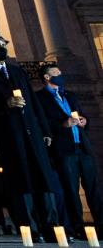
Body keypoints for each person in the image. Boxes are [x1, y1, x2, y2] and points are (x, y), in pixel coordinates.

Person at [0, 32, 59, 240]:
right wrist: (5, 104)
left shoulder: (17, 71)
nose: (1, 47)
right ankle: (30, 228)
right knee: (22, 179)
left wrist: (45, 130)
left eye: (3, 44)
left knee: (42, 177)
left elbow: (34, 103)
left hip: (32, 131)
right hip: (9, 133)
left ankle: (51, 226)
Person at [35, 65, 103, 240]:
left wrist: (84, 120)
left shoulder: (70, 95)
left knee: (94, 188)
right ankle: (78, 227)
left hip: (82, 146)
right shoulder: (40, 98)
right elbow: (43, 123)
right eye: (56, 73)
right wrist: (62, 125)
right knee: (71, 190)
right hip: (64, 150)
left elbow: (83, 115)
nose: (60, 75)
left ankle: (101, 225)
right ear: (47, 77)